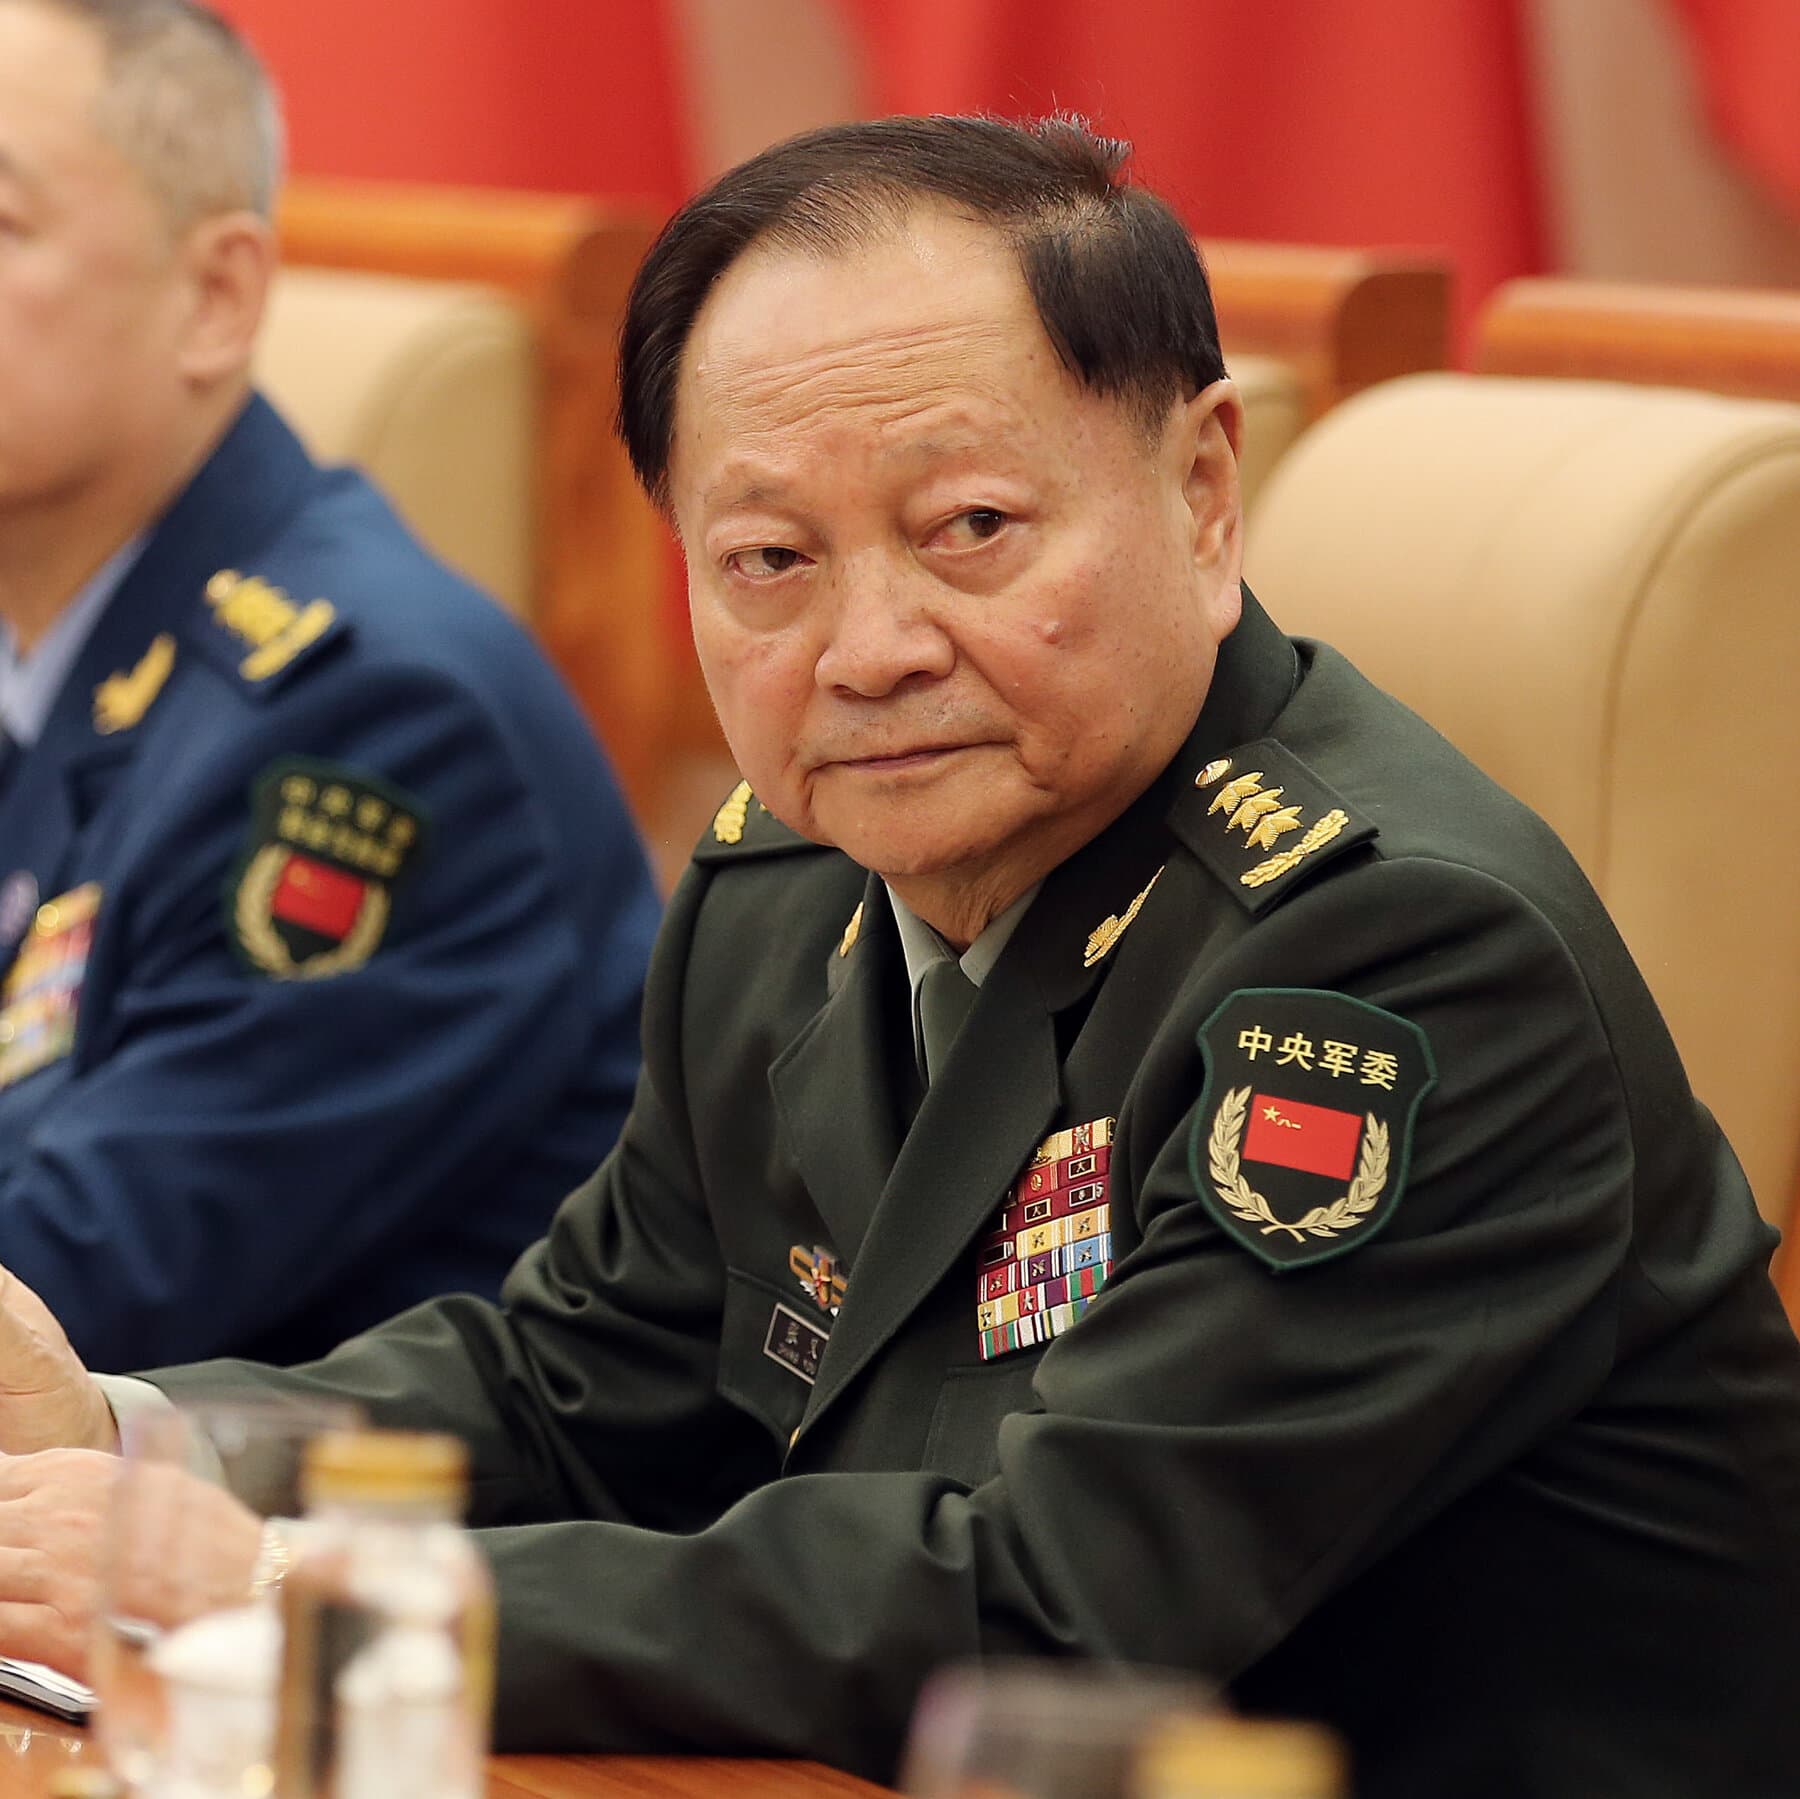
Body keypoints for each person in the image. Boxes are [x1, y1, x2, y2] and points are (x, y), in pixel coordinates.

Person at [1, 112, 1798, 1797]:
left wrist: (291, 1596)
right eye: (770, 556)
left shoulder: (1394, 966)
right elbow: (579, 1388)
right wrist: (121, 1437)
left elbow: (1063, 1600)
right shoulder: (789, 881)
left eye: (971, 534)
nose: (867, 650)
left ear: (1200, 486)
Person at [0, 0, 659, 1368]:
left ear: (218, 297)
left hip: (356, 1551)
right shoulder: (49, 629)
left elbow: (63, 1298)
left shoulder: (372, 724)